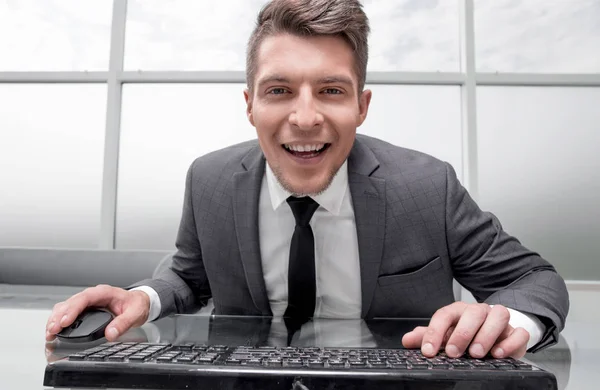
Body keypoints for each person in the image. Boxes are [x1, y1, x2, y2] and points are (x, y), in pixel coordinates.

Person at [46, 0, 569, 360]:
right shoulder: (209, 180)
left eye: (331, 91)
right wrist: (145, 298)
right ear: (250, 105)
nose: (305, 117)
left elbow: (535, 281)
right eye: (278, 90)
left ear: (362, 106)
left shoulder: (427, 186)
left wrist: (511, 323)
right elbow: (188, 275)